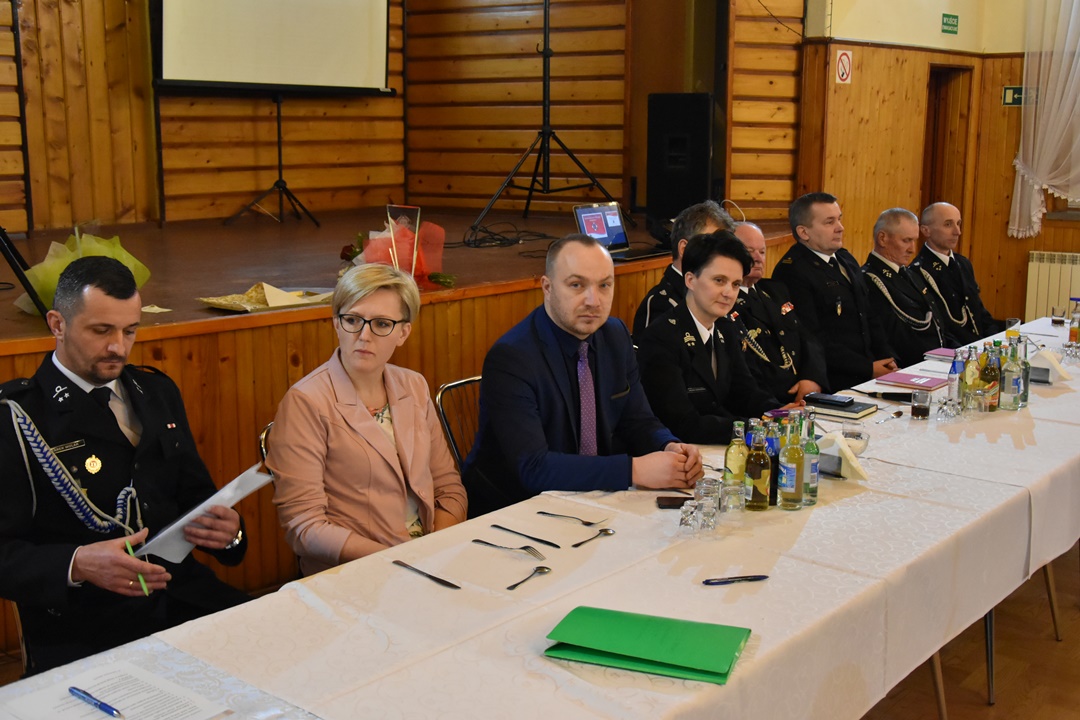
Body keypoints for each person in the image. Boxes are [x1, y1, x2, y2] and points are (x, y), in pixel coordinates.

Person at [0, 257, 249, 675]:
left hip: (182, 598)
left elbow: (197, 498)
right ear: (57, 324)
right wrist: (77, 563)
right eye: (101, 331)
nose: (118, 347)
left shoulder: (155, 392)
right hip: (84, 624)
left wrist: (229, 533)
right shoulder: (16, 419)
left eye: (129, 330)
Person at [463, 234, 703, 517]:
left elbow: (638, 420)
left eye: (604, 285)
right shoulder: (512, 357)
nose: (593, 300)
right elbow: (533, 468)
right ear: (547, 287)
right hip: (515, 511)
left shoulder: (615, 335)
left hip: (594, 501)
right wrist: (634, 470)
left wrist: (669, 446)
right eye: (577, 285)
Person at [267, 265, 466, 576]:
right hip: (355, 572)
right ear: (336, 323)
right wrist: (401, 561)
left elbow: (448, 488)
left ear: (403, 333)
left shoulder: (413, 385)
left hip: (427, 558)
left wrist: (432, 551)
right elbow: (304, 526)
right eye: (353, 320)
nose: (364, 335)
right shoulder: (305, 401)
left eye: (382, 324)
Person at [637, 232, 790, 444]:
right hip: (680, 448)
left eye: (735, 284)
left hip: (718, 441)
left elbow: (744, 392)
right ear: (690, 280)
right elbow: (682, 422)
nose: (729, 293)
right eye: (719, 281)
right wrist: (753, 429)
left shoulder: (726, 327)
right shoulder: (661, 336)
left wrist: (779, 413)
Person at [772, 192, 897, 391]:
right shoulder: (793, 271)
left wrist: (887, 359)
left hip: (871, 371)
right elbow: (812, 337)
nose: (840, 227)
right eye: (829, 222)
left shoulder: (845, 259)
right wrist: (867, 368)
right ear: (804, 232)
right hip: (835, 379)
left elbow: (869, 315)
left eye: (839, 219)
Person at [731, 222, 827, 403]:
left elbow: (807, 338)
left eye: (762, 252)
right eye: (749, 251)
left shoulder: (776, 291)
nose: (758, 258)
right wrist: (777, 406)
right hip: (769, 403)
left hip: (806, 395)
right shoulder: (727, 303)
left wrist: (813, 379)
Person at [862, 208, 952, 367]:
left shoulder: (910, 275)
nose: (912, 249)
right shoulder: (869, 280)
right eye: (906, 240)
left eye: (914, 241)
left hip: (934, 360)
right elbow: (888, 336)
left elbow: (936, 323)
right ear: (882, 238)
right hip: (911, 366)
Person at [632, 200, 734, 338]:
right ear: (684, 249)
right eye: (711, 247)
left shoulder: (722, 295)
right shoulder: (661, 304)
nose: (722, 257)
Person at [912, 202, 1004, 344]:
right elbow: (943, 327)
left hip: (980, 343)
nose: (957, 232)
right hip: (957, 347)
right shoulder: (919, 272)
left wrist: (995, 338)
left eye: (958, 224)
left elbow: (979, 311)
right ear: (926, 231)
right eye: (948, 224)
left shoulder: (963, 263)